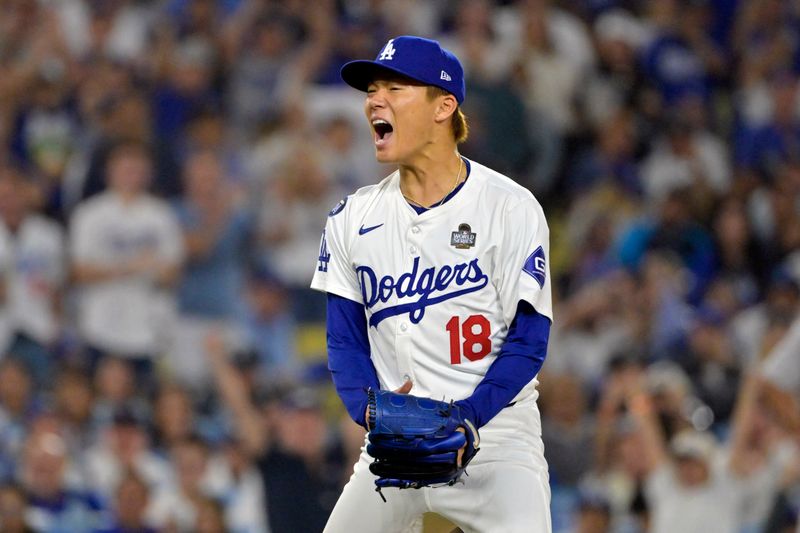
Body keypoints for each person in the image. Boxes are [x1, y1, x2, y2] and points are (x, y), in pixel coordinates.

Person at [310, 36, 553, 532]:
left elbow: (529, 341)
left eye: (395, 89)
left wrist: (468, 417)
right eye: (372, 90)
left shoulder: (509, 207)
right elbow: (344, 340)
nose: (374, 101)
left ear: (444, 106)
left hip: (497, 442)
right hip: (395, 448)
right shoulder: (351, 218)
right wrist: (370, 411)